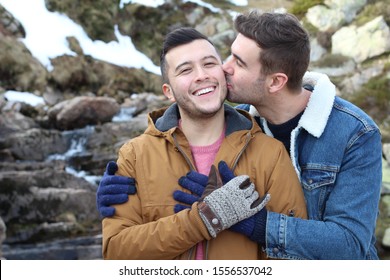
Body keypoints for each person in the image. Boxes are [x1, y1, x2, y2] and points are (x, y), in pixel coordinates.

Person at [98, 11, 383, 259]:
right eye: (228, 54)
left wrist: (257, 224)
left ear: (275, 82)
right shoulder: (240, 120)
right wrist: (132, 188)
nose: (223, 68)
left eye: (239, 62)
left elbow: (351, 245)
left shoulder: (355, 133)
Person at [101, 27, 307, 260]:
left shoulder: (269, 153)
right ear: (168, 91)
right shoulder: (135, 156)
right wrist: (203, 219)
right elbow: (116, 252)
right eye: (186, 70)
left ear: (223, 73)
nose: (201, 75)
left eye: (209, 64)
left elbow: (294, 253)